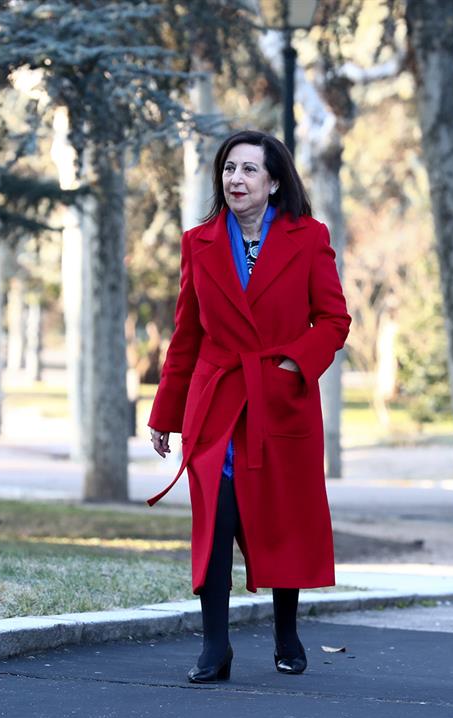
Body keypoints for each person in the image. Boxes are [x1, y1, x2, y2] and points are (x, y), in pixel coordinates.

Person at [146, 130, 351, 683]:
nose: (235, 180)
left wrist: (291, 367)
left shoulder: (309, 238)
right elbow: (186, 335)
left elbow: (333, 321)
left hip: (281, 405)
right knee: (216, 521)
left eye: (248, 171)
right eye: (228, 169)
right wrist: (166, 413)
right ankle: (215, 647)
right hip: (216, 405)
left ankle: (287, 631)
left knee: (282, 520)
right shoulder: (199, 243)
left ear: (274, 181)